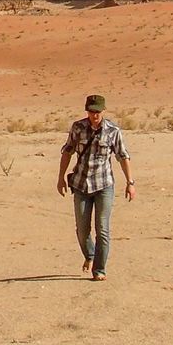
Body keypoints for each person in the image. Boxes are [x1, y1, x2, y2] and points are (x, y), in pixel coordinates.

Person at [56, 94, 134, 281]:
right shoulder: (78, 128)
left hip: (104, 185)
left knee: (103, 228)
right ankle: (89, 255)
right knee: (82, 230)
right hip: (81, 184)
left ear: (103, 111)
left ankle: (99, 269)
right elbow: (67, 151)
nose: (94, 115)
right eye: (91, 112)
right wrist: (60, 178)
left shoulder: (113, 131)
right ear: (87, 111)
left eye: (98, 112)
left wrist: (130, 183)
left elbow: (123, 156)